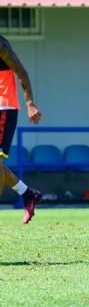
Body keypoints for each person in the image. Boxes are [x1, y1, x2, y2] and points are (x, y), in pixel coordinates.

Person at [0, 34, 43, 224]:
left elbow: (22, 72)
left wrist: (30, 103)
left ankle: (26, 194)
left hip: (4, 107)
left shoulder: (1, 46)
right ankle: (27, 194)